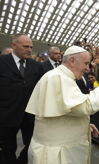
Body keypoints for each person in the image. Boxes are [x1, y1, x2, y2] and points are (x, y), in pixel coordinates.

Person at [25, 46, 99, 164]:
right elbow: (86, 106)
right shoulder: (58, 77)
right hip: (55, 154)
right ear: (72, 61)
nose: (88, 68)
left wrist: (83, 124)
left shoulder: (61, 76)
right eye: (86, 63)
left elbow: (65, 111)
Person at [0, 33, 43, 164]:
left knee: (32, 145)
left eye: (31, 47)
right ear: (14, 45)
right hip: (7, 115)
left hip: (30, 115)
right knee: (8, 149)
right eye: (25, 46)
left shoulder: (36, 66)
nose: (29, 49)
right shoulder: (2, 62)